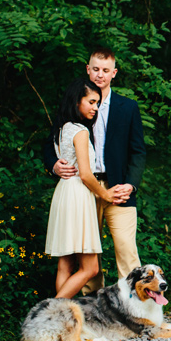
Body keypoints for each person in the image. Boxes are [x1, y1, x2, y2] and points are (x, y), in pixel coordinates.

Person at [43, 47, 147, 293]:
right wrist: (54, 165)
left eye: (106, 70)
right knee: (88, 257)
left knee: (126, 249)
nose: (100, 75)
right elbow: (50, 143)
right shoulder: (75, 106)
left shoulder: (127, 107)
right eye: (96, 69)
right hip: (84, 189)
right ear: (88, 70)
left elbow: (138, 151)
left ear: (114, 73)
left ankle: (137, 310)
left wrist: (130, 184)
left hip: (118, 188)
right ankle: (93, 311)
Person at [44, 78, 122, 298]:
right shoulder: (80, 131)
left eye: (97, 103)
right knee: (91, 268)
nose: (95, 107)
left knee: (65, 265)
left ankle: (58, 320)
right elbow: (86, 174)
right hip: (78, 194)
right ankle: (52, 311)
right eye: (91, 102)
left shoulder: (62, 129)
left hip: (64, 192)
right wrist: (105, 194)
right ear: (77, 101)